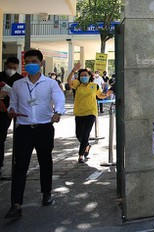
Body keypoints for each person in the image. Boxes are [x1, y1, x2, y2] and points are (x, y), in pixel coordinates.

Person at [5, 49, 65, 219]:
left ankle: (46, 193)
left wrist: (58, 112)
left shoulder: (50, 83)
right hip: (23, 129)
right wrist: (11, 110)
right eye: (28, 62)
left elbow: (59, 98)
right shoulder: (18, 85)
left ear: (41, 63)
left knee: (45, 162)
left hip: (44, 128)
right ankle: (16, 204)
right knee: (19, 166)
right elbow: (13, 103)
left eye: (34, 62)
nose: (31, 65)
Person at [67, 63, 112, 163]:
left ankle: (81, 155)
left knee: (86, 134)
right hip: (79, 113)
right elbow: (68, 82)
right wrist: (73, 71)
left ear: (89, 76)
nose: (83, 77)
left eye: (85, 75)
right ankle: (87, 146)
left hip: (91, 113)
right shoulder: (77, 84)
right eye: (82, 75)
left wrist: (108, 93)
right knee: (79, 135)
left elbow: (100, 95)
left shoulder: (94, 86)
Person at [0, 56, 23, 177]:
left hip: (11, 111)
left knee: (3, 137)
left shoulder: (20, 79)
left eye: (14, 68)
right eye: (9, 67)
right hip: (0, 109)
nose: (11, 70)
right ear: (5, 65)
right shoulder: (0, 76)